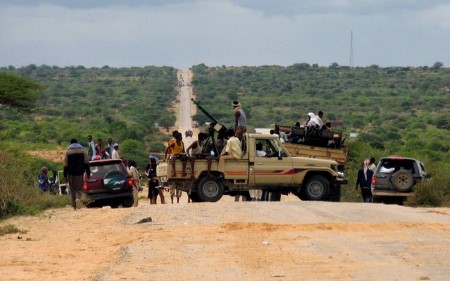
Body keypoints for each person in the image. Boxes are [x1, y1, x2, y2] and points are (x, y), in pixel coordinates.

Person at [63, 138, 90, 210]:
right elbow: (86, 163)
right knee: (79, 189)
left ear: (70, 143)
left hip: (70, 173)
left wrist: (65, 176)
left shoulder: (68, 151)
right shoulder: (83, 150)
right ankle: (78, 199)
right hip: (79, 173)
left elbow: (65, 164)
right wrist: (88, 173)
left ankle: (74, 206)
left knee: (72, 190)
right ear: (77, 142)